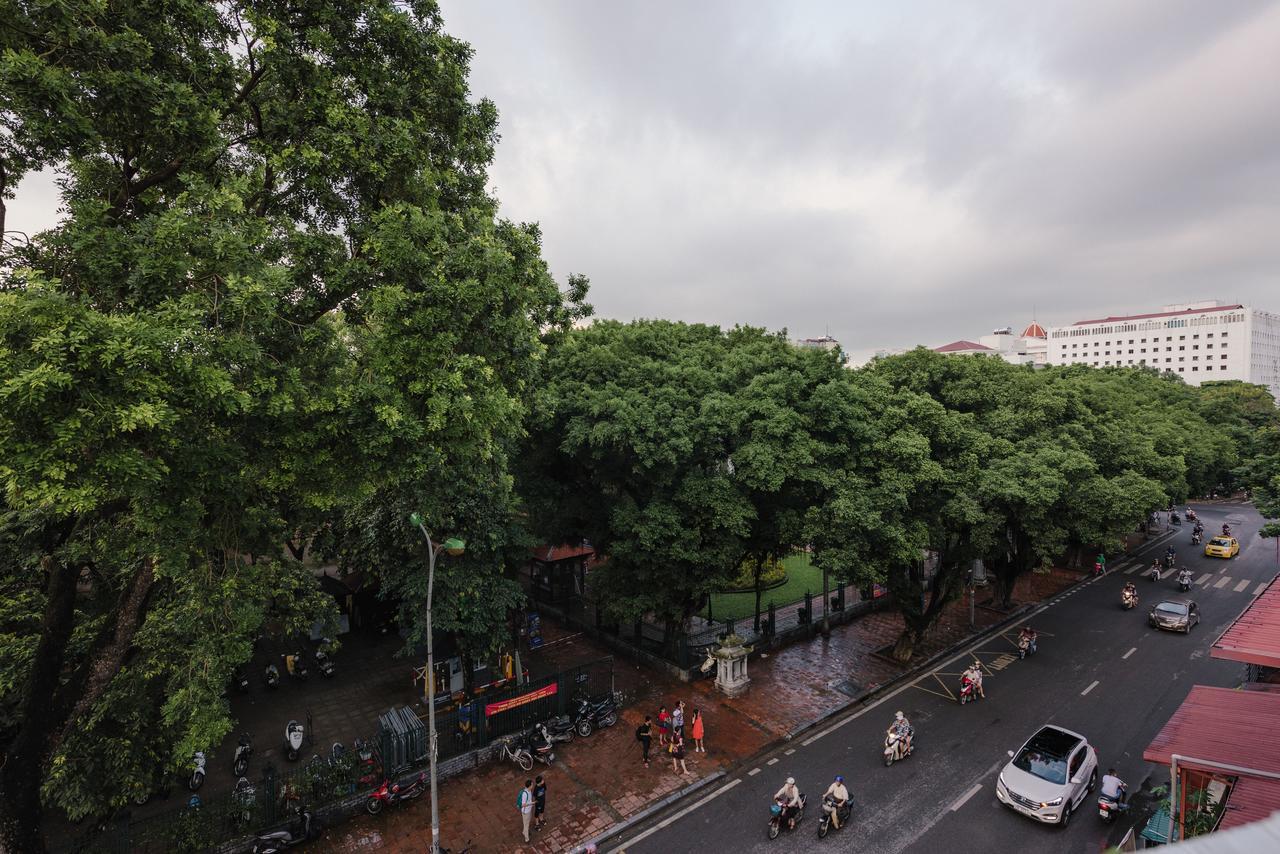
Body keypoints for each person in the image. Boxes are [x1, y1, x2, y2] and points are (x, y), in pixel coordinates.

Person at [518, 779, 534, 843]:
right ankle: (526, 839)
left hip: (529, 810)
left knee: (527, 822)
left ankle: (524, 832)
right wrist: (532, 803)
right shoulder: (525, 794)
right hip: (525, 812)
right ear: (529, 786)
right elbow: (523, 805)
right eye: (532, 785)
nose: (533, 785)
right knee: (526, 825)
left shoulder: (529, 790)